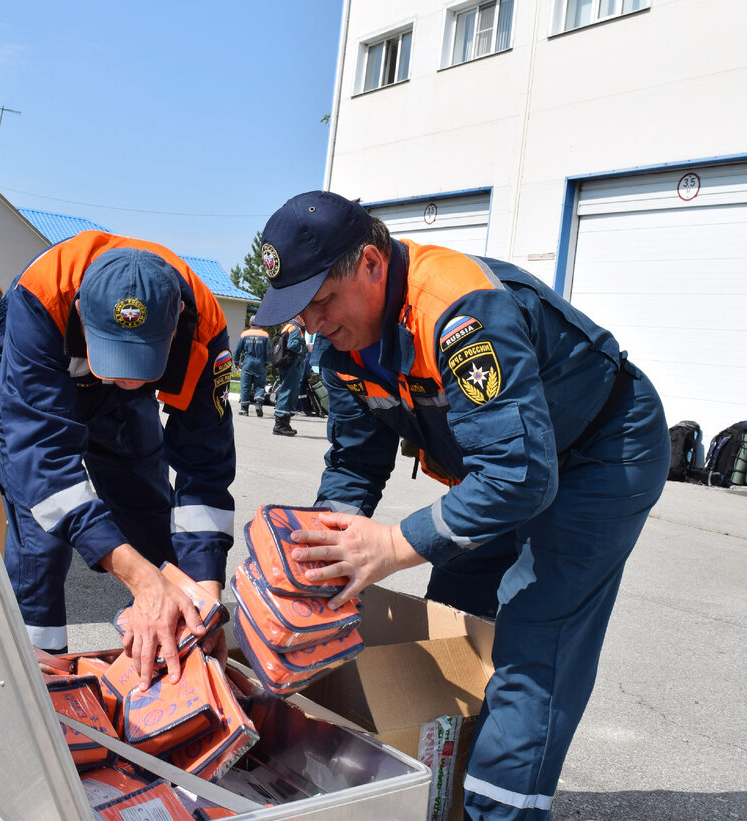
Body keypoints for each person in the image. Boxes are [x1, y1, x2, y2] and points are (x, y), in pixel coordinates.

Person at [252, 190, 670, 821]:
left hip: (600, 451)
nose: (310, 322)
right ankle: (445, 796)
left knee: (533, 641)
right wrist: (323, 549)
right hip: (511, 464)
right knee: (454, 620)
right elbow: (354, 462)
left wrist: (392, 546)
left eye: (320, 300)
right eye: (297, 309)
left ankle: (500, 811)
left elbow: (520, 476)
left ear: (369, 262)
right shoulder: (339, 344)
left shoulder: (458, 311)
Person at [0, 231, 236, 690]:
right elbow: (44, 467)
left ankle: (173, 655)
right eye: (113, 362)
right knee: (42, 532)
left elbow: (206, 467)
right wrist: (139, 580)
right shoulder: (42, 297)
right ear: (80, 310)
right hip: (32, 375)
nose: (127, 381)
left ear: (176, 320)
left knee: (145, 502)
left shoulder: (205, 327)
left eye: (141, 365)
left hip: (120, 393)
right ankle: (37, 675)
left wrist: (202, 598)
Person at [270, 317, 307, 436]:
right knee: (288, 390)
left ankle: (285, 423)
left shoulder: (288, 327)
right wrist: (305, 349)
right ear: (299, 317)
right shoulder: (296, 329)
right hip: (292, 364)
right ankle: (280, 424)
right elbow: (293, 346)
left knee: (288, 389)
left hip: (286, 363)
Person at [232, 322, 269, 416]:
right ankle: (258, 403)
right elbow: (268, 351)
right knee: (260, 385)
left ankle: (244, 409)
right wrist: (266, 363)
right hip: (260, 363)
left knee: (245, 386)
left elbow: (237, 350)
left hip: (248, 363)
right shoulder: (265, 335)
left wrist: (236, 362)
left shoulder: (245, 334)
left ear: (250, 323)